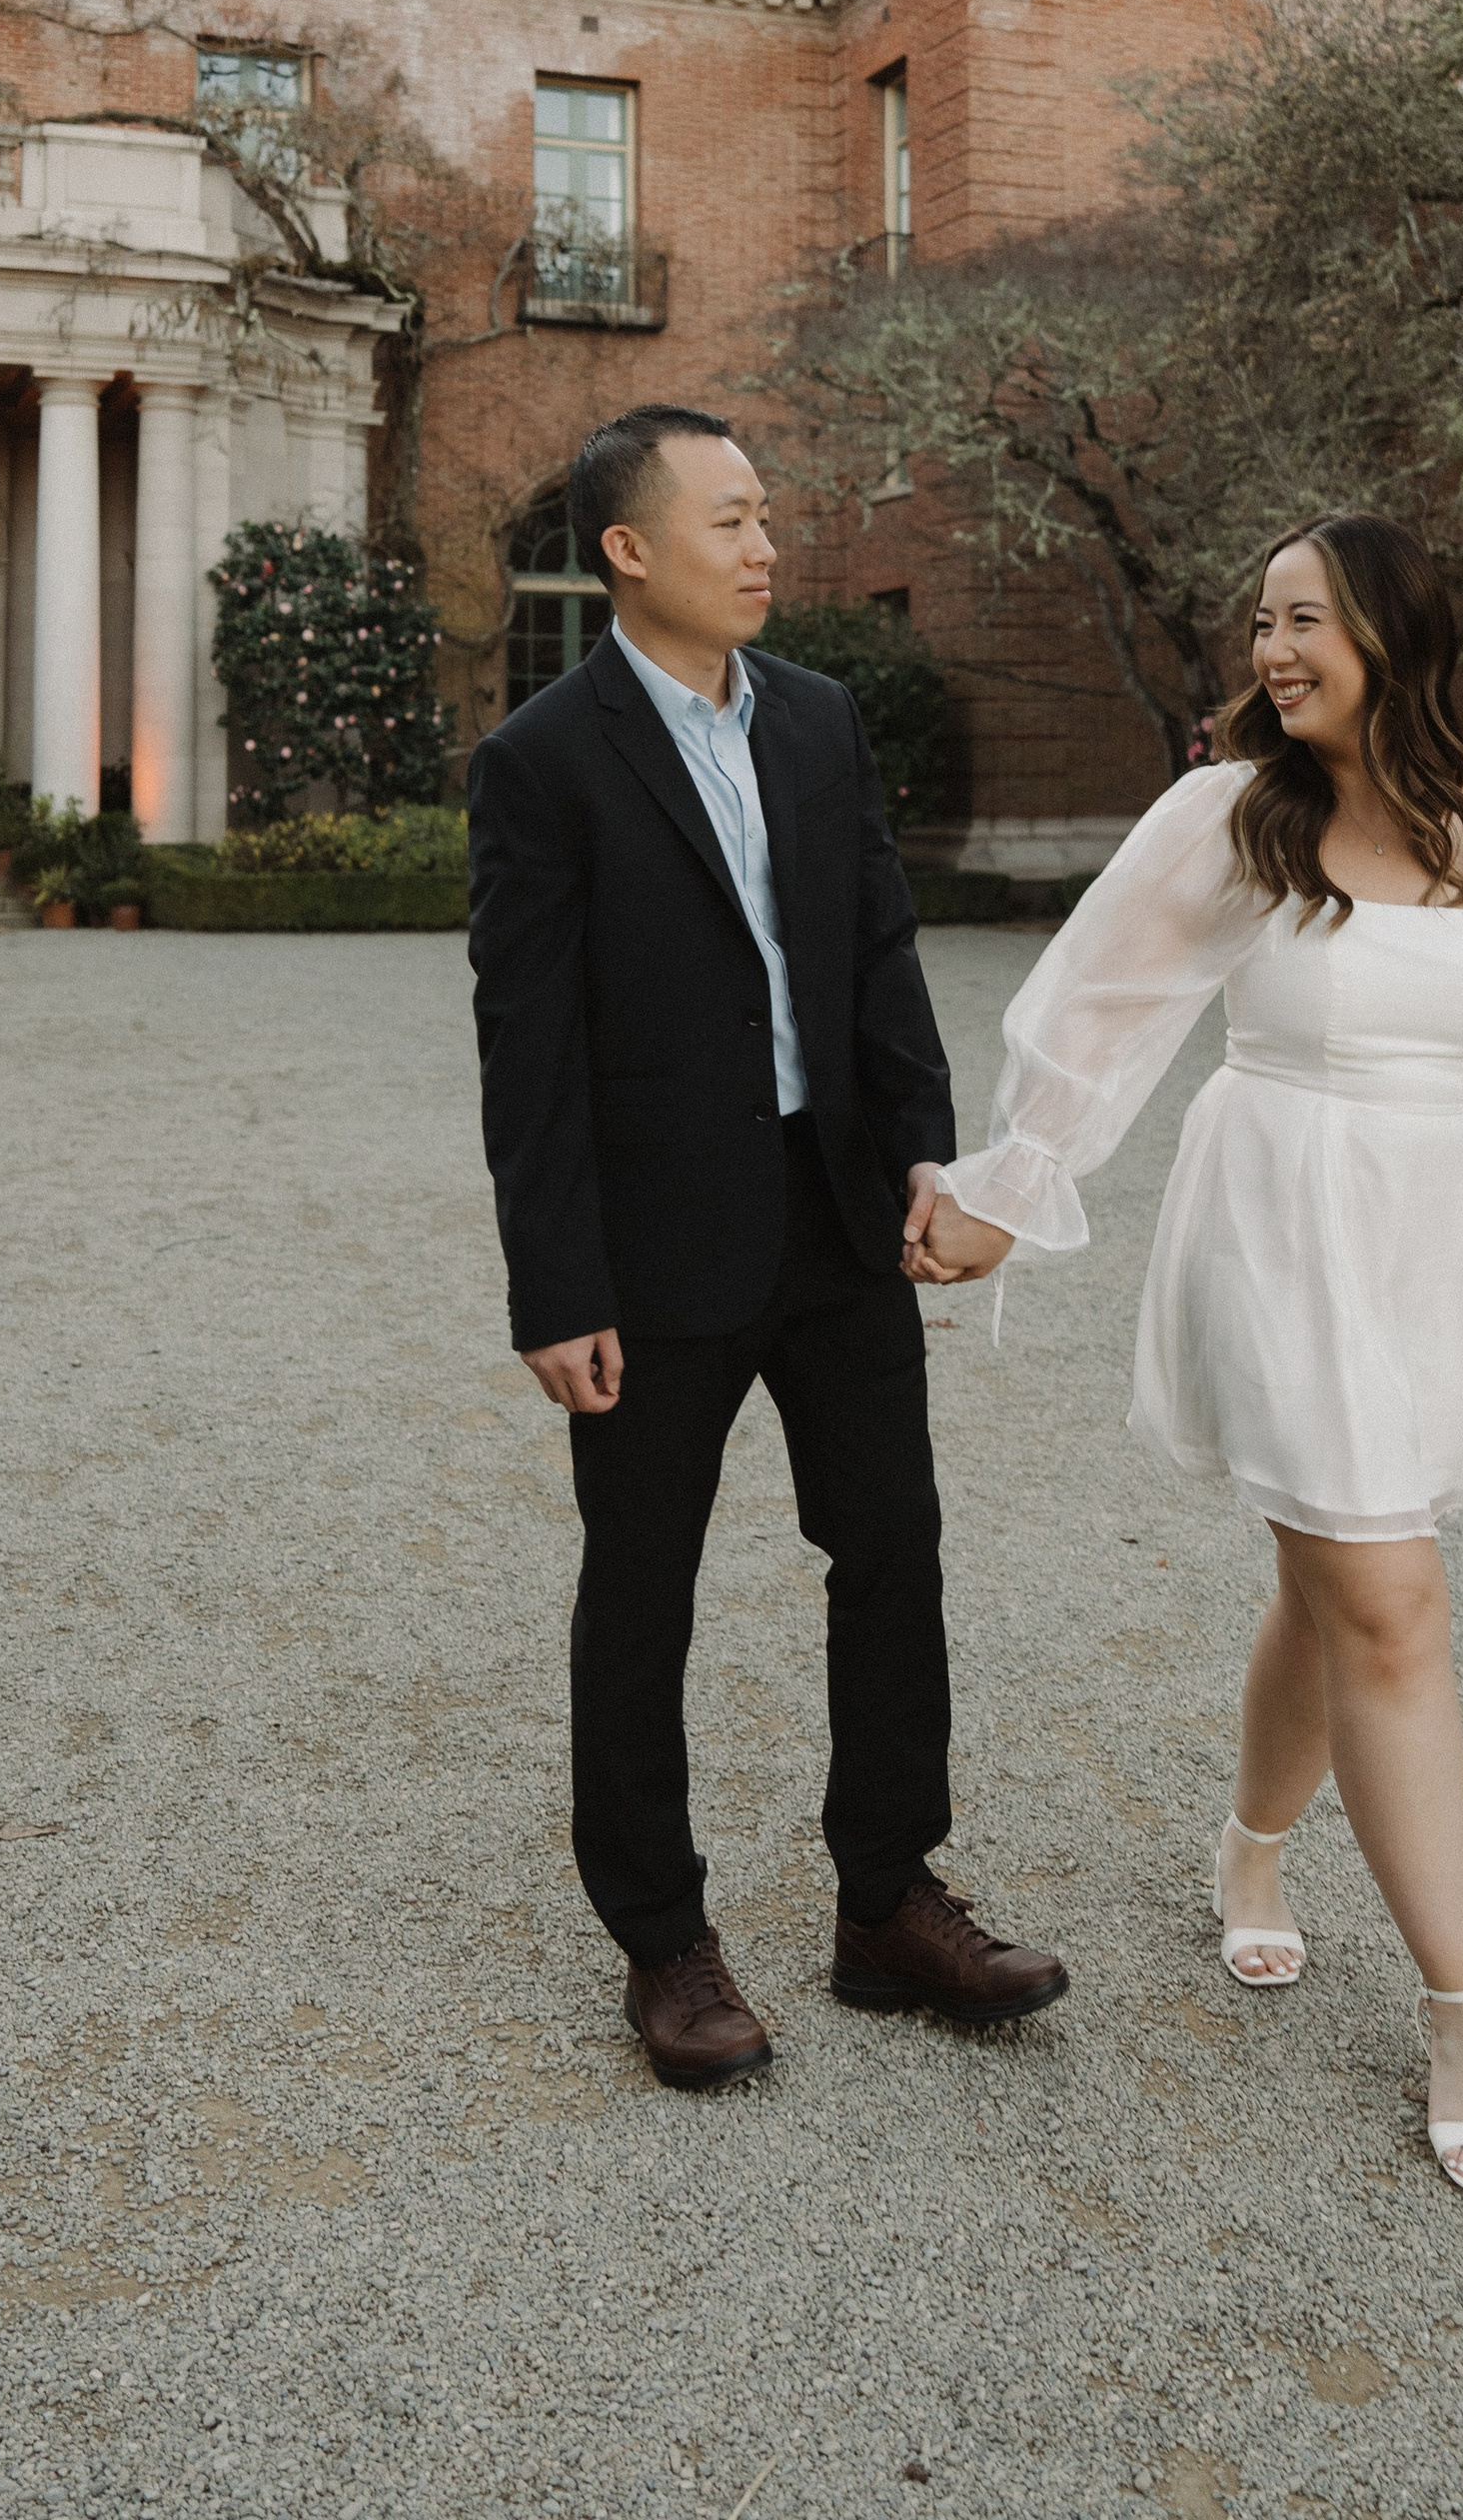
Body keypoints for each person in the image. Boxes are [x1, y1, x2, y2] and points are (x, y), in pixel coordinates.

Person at [907, 514, 1463, 2196]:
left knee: (1331, 1580)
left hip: (1439, 1233)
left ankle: (1250, 1853)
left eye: (1306, 620)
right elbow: (1101, 1004)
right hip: (1279, 1217)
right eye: (1258, 621)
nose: (1272, 651)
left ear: (1400, 634)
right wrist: (1007, 1193)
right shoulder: (1231, 817)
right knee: (1391, 1600)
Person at [467, 402, 1067, 2090]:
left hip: (838, 1216)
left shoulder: (815, 724)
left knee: (893, 1547)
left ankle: (887, 1902)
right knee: (640, 1586)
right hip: (653, 1255)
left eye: (766, 517)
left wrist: (926, 1159)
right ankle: (664, 1940)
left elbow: (878, 952)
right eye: (727, 521)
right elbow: (528, 1049)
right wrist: (557, 1282)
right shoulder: (545, 761)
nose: (766, 547)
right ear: (630, 552)